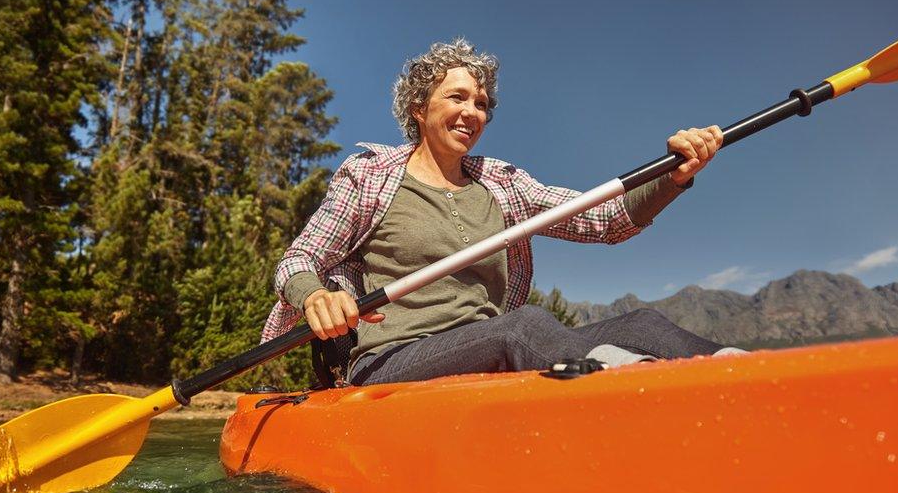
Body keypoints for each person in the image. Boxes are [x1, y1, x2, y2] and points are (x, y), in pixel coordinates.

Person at [262, 38, 737, 386]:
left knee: (642, 325)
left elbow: (606, 220)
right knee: (523, 326)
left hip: (491, 344)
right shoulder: (369, 175)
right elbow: (297, 262)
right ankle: (633, 389)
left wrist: (675, 175)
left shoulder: (502, 183)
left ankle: (752, 372)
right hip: (391, 360)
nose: (474, 112)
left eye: (483, 104)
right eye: (458, 97)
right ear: (418, 108)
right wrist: (314, 298)